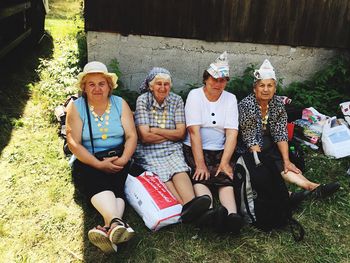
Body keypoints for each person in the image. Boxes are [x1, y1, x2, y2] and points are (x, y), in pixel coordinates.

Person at [237, 59, 340, 206]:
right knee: (265, 167)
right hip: (248, 149)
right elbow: (250, 139)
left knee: (282, 163)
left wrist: (286, 160)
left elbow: (280, 133)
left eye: (269, 86)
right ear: (255, 89)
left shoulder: (277, 104)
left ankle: (313, 187)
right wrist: (260, 165)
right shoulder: (246, 105)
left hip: (268, 145)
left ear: (275, 88)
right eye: (262, 86)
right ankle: (286, 195)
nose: (266, 89)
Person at [66, 61, 137, 253]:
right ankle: (116, 223)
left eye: (101, 83)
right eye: (91, 84)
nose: (97, 88)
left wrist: (123, 159)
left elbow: (131, 136)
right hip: (89, 157)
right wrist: (97, 164)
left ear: (109, 86)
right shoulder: (76, 107)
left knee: (117, 184)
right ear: (84, 87)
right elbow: (73, 143)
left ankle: (109, 228)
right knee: (96, 179)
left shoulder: (119, 104)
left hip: (118, 156)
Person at [133, 67, 211, 224]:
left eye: (166, 84)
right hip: (149, 151)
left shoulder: (176, 100)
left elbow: (181, 133)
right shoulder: (143, 100)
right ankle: (189, 210)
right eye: (159, 84)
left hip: (172, 148)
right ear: (150, 86)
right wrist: (169, 133)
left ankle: (191, 206)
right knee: (162, 173)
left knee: (178, 168)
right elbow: (145, 137)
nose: (163, 88)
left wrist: (154, 130)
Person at [183, 52, 243, 234]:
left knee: (225, 177)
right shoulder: (194, 95)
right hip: (195, 148)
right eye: (214, 79)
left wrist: (225, 162)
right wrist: (200, 164)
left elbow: (232, 133)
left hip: (221, 149)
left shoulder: (230, 98)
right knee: (201, 176)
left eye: (223, 80)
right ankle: (209, 213)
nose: (218, 84)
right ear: (206, 78)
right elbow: (193, 131)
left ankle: (232, 216)